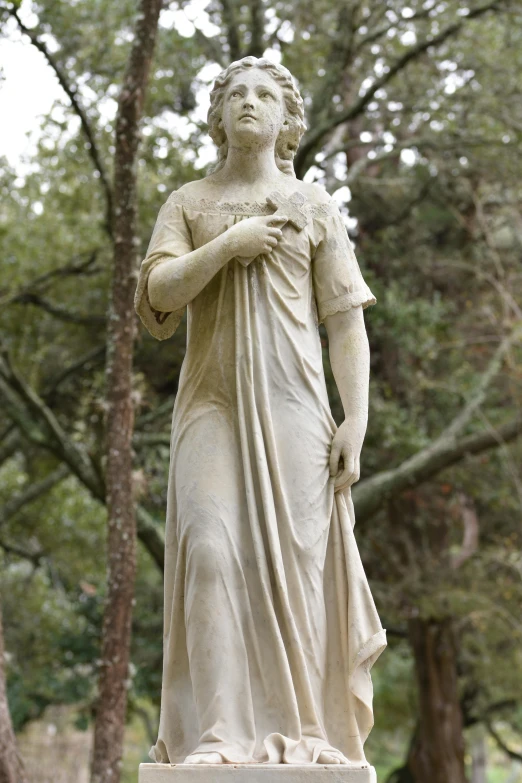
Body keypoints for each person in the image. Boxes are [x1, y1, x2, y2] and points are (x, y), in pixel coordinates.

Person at [135, 56, 386, 767]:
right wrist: (229, 246)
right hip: (211, 403)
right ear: (217, 117)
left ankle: (308, 731)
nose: (249, 102)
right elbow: (157, 294)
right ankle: (218, 734)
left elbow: (345, 321)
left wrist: (356, 418)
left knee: (300, 573)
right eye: (235, 93)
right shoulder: (189, 202)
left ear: (287, 120)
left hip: (296, 408)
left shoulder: (312, 205)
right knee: (210, 552)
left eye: (265, 95)